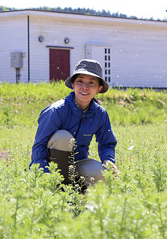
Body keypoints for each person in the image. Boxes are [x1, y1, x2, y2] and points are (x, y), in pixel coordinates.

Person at [30, 59, 118, 187]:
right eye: (80, 81)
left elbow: (107, 143)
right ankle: (57, 186)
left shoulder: (100, 114)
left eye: (91, 83)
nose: (84, 87)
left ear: (99, 89)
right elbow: (39, 145)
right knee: (63, 137)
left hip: (77, 163)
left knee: (101, 173)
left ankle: (77, 194)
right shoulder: (56, 111)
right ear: (73, 84)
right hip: (50, 166)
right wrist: (43, 172)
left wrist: (108, 160)